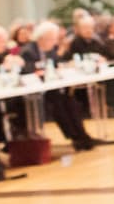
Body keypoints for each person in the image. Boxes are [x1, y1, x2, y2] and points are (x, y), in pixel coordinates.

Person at [19, 21, 99, 151]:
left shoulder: (50, 51)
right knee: (58, 105)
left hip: (51, 89)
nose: (54, 42)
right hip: (34, 94)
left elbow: (57, 64)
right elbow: (26, 70)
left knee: (71, 102)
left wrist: (66, 65)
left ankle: (81, 135)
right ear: (42, 38)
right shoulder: (28, 51)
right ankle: (76, 137)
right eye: (52, 39)